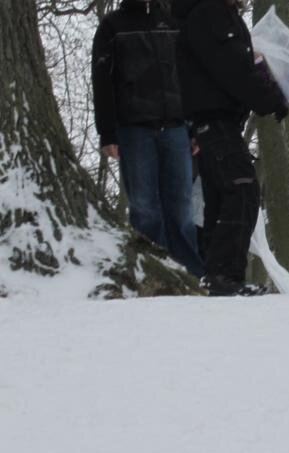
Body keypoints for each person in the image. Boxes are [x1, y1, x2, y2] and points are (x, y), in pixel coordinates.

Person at [172, 0, 289, 296]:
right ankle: (224, 275)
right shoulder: (210, 13)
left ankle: (214, 275)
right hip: (214, 120)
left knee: (220, 196)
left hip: (216, 121)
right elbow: (231, 67)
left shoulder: (216, 14)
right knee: (242, 189)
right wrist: (267, 99)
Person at [91, 0, 205, 278]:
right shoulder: (112, 25)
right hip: (133, 129)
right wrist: (107, 132)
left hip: (177, 127)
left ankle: (190, 276)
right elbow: (101, 79)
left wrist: (194, 127)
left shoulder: (174, 21)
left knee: (181, 209)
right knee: (144, 209)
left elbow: (190, 75)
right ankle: (153, 273)